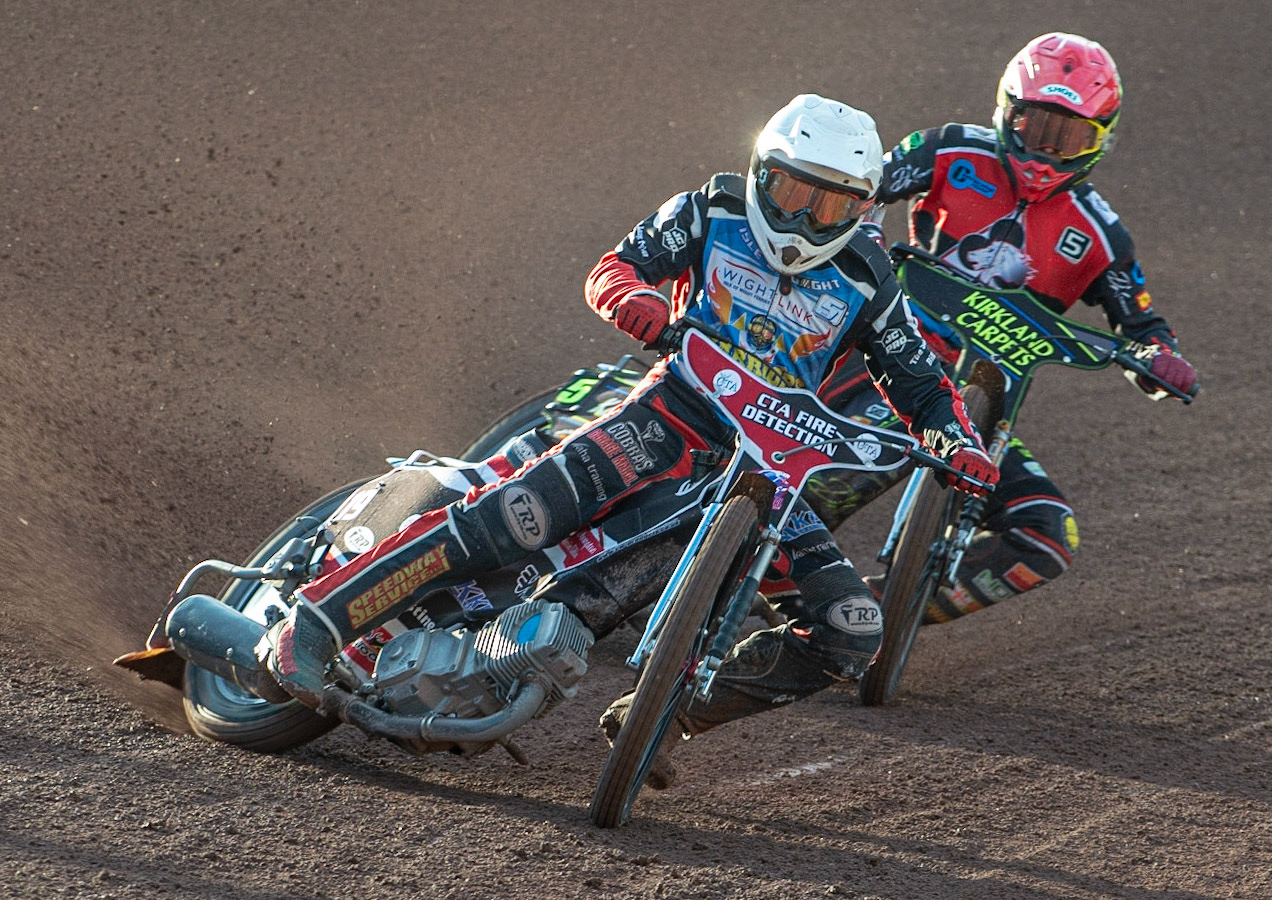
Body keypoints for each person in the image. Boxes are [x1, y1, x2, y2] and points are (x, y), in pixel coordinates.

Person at [256, 94, 998, 784]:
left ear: (862, 208)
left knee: (851, 629)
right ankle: (319, 620)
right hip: (667, 415)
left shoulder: (869, 275)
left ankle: (665, 720)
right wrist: (637, 301)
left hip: (769, 470)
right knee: (516, 518)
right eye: (791, 192)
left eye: (829, 203)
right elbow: (616, 268)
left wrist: (958, 442)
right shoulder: (713, 206)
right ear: (760, 173)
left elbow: (921, 384)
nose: (803, 220)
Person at [833, 32, 1198, 624]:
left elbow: (1144, 324)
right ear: (1006, 111)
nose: (1047, 152)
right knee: (843, 469)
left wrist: (1160, 359)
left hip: (983, 409)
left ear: (1098, 140)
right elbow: (862, 185)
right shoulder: (949, 147)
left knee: (1048, 537)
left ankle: (865, 618)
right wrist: (868, 231)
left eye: (1068, 136)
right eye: (1034, 127)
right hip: (876, 351)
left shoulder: (1102, 234)